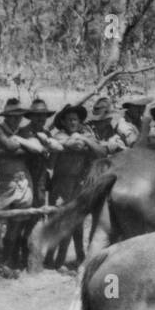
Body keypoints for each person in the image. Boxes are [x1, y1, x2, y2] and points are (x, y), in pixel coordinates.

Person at [0, 99, 48, 268]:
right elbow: (10, 146)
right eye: (12, 116)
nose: (16, 119)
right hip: (5, 182)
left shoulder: (22, 132)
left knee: (17, 223)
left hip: (23, 182)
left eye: (19, 116)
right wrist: (23, 146)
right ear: (6, 116)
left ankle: (8, 262)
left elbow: (38, 149)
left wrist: (19, 141)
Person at [48, 103, 107, 270]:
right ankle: (51, 259)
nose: (73, 122)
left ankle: (75, 257)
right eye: (69, 120)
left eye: (75, 119)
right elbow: (70, 147)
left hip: (79, 184)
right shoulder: (59, 136)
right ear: (63, 122)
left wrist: (86, 139)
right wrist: (79, 141)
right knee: (59, 221)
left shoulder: (85, 136)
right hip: (61, 183)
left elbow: (102, 152)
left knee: (77, 222)